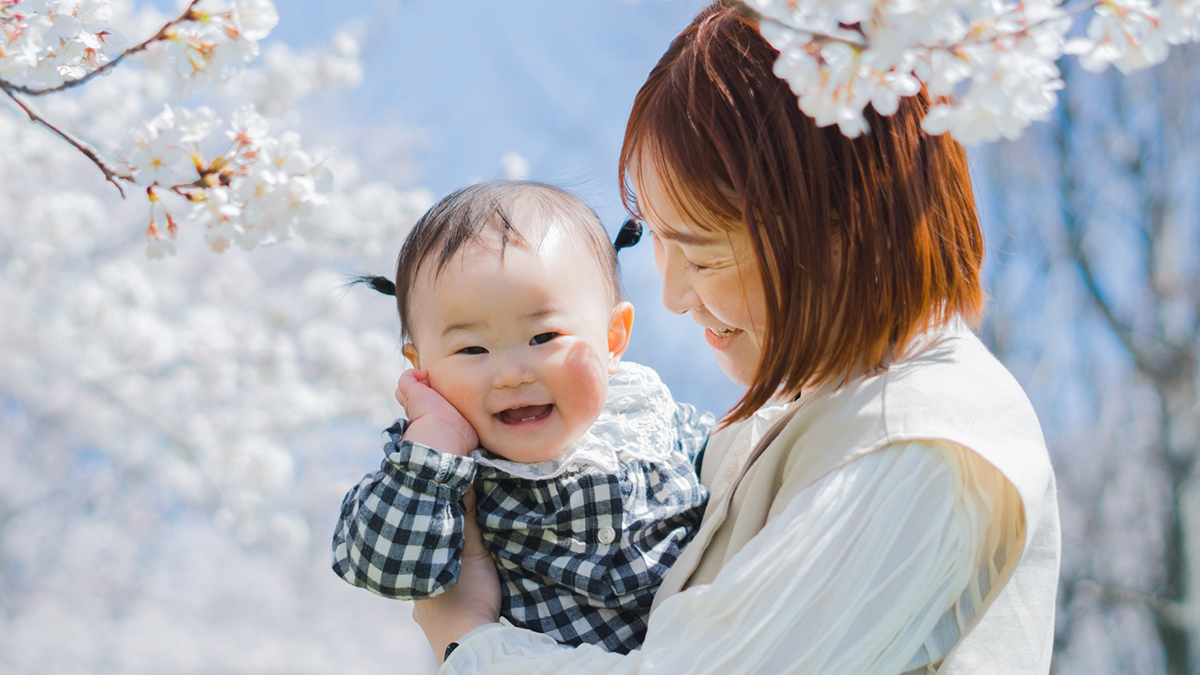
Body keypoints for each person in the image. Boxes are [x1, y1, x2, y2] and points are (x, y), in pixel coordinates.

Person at [412, 3, 1061, 674]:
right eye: (658, 242)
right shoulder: (807, 417)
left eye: (704, 254)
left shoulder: (922, 441)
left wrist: (471, 640)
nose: (673, 295)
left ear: (839, 225)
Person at [331, 180, 713, 655]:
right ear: (421, 368)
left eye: (543, 337)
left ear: (613, 339)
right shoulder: (444, 467)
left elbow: (745, 463)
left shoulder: (647, 412)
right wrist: (434, 449)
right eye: (472, 348)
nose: (511, 374)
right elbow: (382, 566)